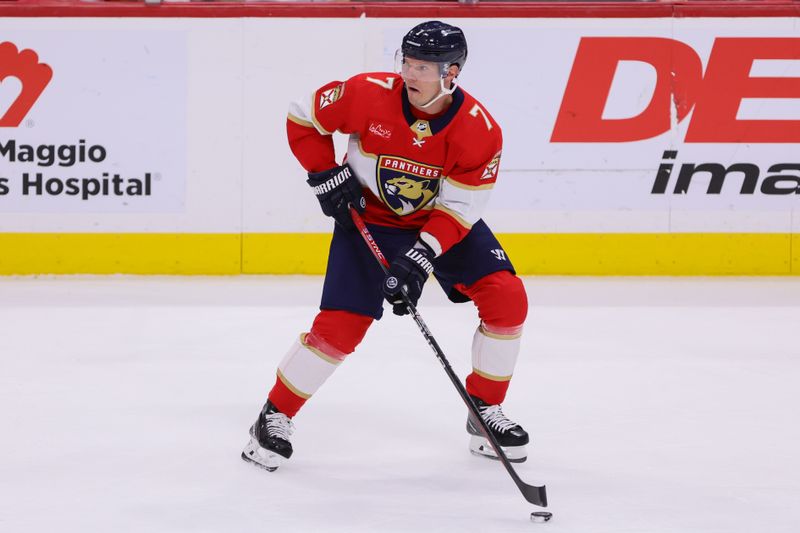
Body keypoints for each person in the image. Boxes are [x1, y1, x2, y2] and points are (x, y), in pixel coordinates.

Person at [242, 20, 530, 472]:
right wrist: (323, 173)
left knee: (507, 297)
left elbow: (459, 208)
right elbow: (303, 116)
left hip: (440, 222)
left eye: (423, 67)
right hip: (368, 220)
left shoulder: (480, 130)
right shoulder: (367, 93)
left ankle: (484, 414)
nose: (410, 74)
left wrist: (421, 256)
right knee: (340, 327)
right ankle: (273, 417)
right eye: (407, 63)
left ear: (451, 73)